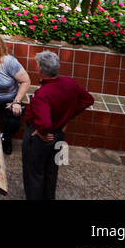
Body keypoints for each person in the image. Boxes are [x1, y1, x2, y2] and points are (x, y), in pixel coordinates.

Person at [23, 50, 94, 199]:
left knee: (35, 175)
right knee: (51, 171)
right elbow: (88, 100)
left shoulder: (42, 95)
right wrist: (67, 118)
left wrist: (41, 132)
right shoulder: (70, 83)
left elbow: (45, 123)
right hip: (59, 135)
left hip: (41, 139)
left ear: (41, 70)